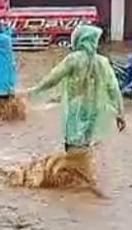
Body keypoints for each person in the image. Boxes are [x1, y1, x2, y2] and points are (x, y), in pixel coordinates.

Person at [26, 23, 125, 152]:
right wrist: (120, 113)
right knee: (85, 144)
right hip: (93, 108)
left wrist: (35, 90)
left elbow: (53, 79)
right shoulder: (103, 62)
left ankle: (73, 168)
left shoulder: (73, 60)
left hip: (75, 107)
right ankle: (84, 169)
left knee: (72, 143)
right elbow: (114, 89)